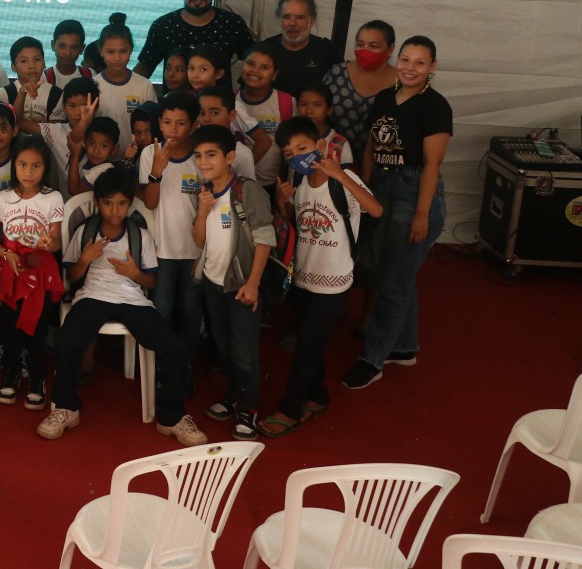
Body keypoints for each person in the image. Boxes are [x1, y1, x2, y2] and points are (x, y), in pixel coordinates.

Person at [35, 169, 208, 447]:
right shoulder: (85, 232)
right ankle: (65, 408)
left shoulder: (140, 235)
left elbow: (150, 280)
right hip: (93, 296)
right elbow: (72, 278)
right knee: (67, 340)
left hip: (133, 299)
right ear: (97, 202)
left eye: (121, 203)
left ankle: (171, 417)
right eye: (107, 203)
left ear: (130, 203)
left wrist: (133, 273)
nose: (114, 210)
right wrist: (86, 258)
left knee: (173, 347)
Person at [342, 36, 451, 390]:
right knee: (399, 276)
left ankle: (372, 359)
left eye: (420, 62)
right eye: (405, 59)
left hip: (414, 191)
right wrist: (365, 188)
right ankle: (404, 347)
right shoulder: (387, 98)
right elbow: (372, 145)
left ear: (432, 67)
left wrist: (422, 213)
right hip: (384, 190)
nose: (410, 67)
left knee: (393, 282)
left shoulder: (435, 106)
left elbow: (433, 164)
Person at [264, 116, 383, 436]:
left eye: (302, 148)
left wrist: (341, 176)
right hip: (303, 277)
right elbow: (298, 226)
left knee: (306, 348)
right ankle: (317, 396)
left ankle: (289, 409)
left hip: (333, 280)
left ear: (319, 145)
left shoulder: (342, 179)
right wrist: (282, 204)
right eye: (289, 153)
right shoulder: (301, 184)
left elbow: (376, 210)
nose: (297, 156)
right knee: (310, 343)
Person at [191, 124, 274, 442]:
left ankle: (248, 408)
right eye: (198, 156)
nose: (203, 162)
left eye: (211, 155)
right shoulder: (206, 191)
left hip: (240, 284)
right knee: (224, 346)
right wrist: (202, 211)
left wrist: (253, 283)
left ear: (229, 157)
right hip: (213, 282)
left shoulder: (247, 190)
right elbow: (199, 240)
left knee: (244, 351)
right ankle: (234, 396)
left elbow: (265, 238)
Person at [0, 135, 64, 410]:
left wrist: (49, 243)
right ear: (14, 166)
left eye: (36, 166)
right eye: (22, 165)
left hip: (41, 271)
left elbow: (55, 240)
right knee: (8, 324)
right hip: (10, 270)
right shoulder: (2, 198)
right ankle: (11, 372)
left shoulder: (53, 197)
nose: (29, 172)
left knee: (38, 326)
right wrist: (6, 254)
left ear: (45, 168)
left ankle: (35, 376)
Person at [138, 91, 204, 382]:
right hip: (161, 248)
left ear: (193, 125)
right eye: (167, 123)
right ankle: (161, 364)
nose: (173, 130)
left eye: (180, 123)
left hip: (195, 249)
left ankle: (185, 363)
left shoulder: (201, 157)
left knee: (190, 309)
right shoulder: (150, 153)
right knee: (161, 309)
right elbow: (150, 202)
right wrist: (156, 172)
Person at [134, 0, 255, 78]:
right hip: (174, 99)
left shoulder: (232, 24)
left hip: (220, 99)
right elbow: (144, 69)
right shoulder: (163, 26)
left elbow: (255, 63)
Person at [322, 19, 399, 166]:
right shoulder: (337, 73)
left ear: (390, 49)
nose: (365, 50)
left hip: (382, 167)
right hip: (333, 160)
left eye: (373, 46)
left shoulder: (401, 82)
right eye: (360, 44)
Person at [93, 15, 158, 144]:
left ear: (131, 50)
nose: (117, 58)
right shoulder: (93, 85)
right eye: (110, 52)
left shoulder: (144, 85)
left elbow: (152, 125)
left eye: (123, 51)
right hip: (101, 159)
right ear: (101, 51)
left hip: (137, 158)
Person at [235, 44, 293, 187]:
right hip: (237, 182)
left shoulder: (286, 102)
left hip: (273, 183)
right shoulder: (231, 100)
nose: (255, 70)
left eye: (264, 67)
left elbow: (293, 146)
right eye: (250, 63)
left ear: (274, 74)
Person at [262, 0, 338, 97]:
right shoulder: (265, 49)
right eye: (287, 17)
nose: (292, 23)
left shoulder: (327, 50)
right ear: (280, 19)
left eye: (300, 17)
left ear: (311, 21)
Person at [28, 77, 98, 193]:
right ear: (64, 106)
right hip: (65, 206)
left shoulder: (102, 132)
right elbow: (20, 122)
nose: (78, 112)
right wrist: (22, 93)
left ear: (96, 107)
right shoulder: (56, 132)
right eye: (72, 105)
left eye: (84, 106)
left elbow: (75, 138)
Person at [196, 86, 258, 181]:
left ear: (232, 115)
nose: (206, 119)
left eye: (214, 113)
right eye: (201, 113)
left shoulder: (242, 154)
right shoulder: (192, 147)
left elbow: (247, 192)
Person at [1, 36, 59, 124]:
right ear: (13, 67)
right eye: (24, 61)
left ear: (44, 63)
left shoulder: (57, 95)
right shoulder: (2, 95)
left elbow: (55, 133)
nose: (32, 66)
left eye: (37, 59)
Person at [296, 82, 354, 166]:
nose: (309, 111)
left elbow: (346, 176)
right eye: (303, 105)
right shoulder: (292, 137)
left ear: (329, 109)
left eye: (317, 105)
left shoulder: (339, 143)